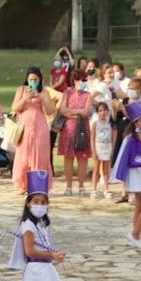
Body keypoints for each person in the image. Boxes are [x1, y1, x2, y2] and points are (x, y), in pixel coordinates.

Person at [112, 101, 141, 248]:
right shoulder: (131, 139)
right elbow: (131, 161)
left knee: (140, 205)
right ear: (135, 122)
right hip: (137, 174)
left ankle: (136, 236)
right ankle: (134, 233)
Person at [57, 68, 93, 196]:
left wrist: (71, 113)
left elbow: (86, 112)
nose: (83, 82)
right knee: (68, 158)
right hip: (68, 130)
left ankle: (82, 186)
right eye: (81, 80)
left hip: (82, 129)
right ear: (75, 80)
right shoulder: (67, 93)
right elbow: (63, 110)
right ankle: (68, 186)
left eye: (85, 80)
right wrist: (78, 112)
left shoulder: (88, 95)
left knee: (82, 158)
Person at [90, 101, 115, 198]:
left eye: (104, 110)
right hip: (98, 146)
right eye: (100, 110)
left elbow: (112, 138)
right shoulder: (95, 124)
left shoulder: (110, 124)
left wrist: (112, 149)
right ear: (97, 112)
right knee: (96, 169)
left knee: (105, 170)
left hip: (107, 146)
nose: (103, 112)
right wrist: (93, 151)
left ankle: (106, 189)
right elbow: (92, 138)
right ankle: (94, 189)